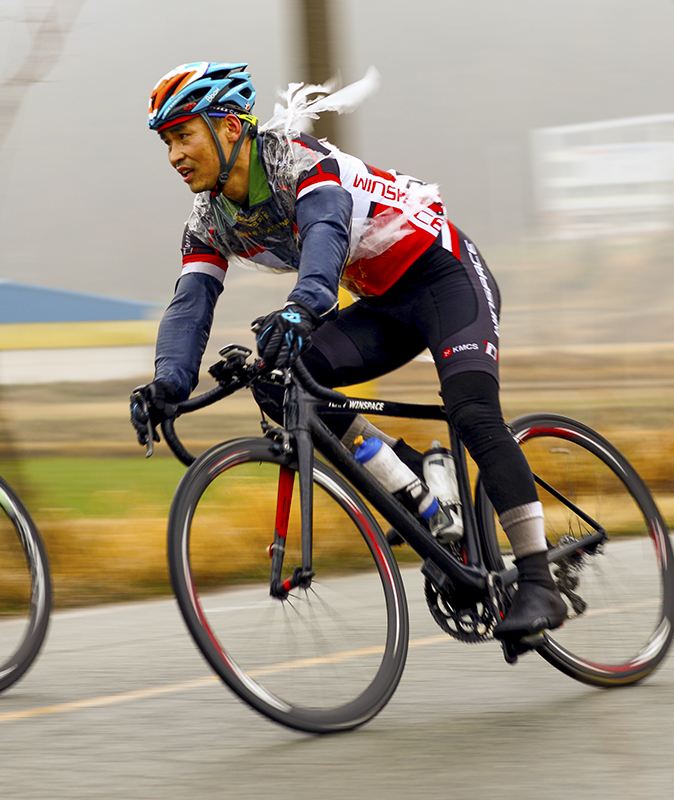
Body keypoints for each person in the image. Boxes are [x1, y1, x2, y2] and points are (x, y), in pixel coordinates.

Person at [130, 63, 567, 640]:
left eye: (183, 135)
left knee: (471, 410)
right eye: (166, 142)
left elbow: (326, 231)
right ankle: (418, 486)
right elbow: (190, 304)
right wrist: (168, 382)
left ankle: (538, 580)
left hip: (444, 277)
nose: (174, 155)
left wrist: (302, 307)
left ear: (231, 127)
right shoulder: (209, 220)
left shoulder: (297, 162)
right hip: (383, 305)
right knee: (281, 382)